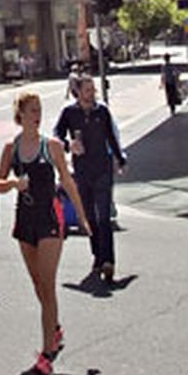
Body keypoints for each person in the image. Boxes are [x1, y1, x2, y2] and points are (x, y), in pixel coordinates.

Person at [0, 91, 90, 375]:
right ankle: (55, 328)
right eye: (32, 110)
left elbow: (68, 181)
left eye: (39, 110)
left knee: (47, 285)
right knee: (38, 283)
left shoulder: (51, 147)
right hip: (25, 219)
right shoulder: (11, 148)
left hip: (49, 218)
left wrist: (82, 217)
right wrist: (14, 184)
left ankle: (47, 354)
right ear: (20, 115)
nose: (37, 115)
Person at [55, 77, 127, 282]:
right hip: (82, 171)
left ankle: (108, 261)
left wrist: (120, 159)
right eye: (87, 90)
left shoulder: (101, 111)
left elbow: (111, 137)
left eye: (93, 89)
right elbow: (57, 136)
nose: (91, 93)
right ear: (78, 92)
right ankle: (98, 255)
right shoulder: (69, 113)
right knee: (89, 217)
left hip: (103, 169)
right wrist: (69, 145)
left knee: (104, 217)